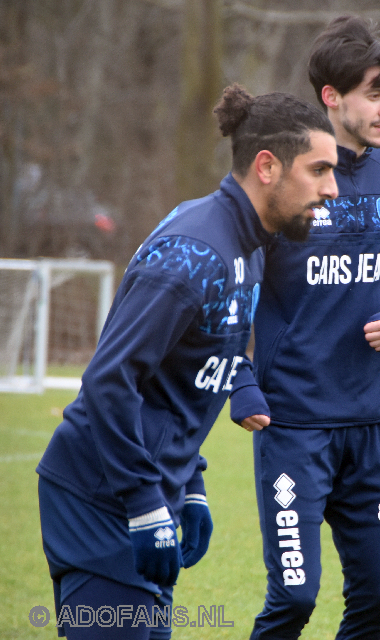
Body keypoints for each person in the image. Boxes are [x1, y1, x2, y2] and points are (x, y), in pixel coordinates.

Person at [36, 83, 338, 639]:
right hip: (100, 498)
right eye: (319, 170)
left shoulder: (248, 243)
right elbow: (109, 380)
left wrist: (190, 484)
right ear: (267, 167)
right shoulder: (194, 254)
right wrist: (146, 503)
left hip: (145, 492)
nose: (333, 189)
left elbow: (181, 379)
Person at [229, 15, 380, 640]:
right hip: (295, 428)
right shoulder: (282, 178)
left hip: (376, 427)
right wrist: (241, 382)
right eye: (376, 93)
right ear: (331, 97)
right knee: (294, 600)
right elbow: (229, 290)